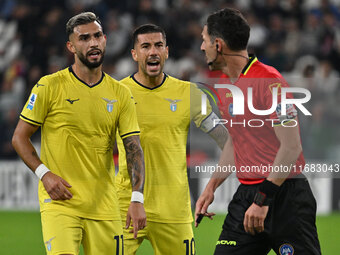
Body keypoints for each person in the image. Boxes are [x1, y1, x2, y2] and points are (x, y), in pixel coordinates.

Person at [12, 12, 146, 255]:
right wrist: (45, 175)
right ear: (71, 46)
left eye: (97, 36)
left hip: (105, 206)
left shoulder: (121, 94)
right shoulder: (49, 86)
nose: (93, 43)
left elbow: (133, 148)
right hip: (61, 204)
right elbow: (19, 137)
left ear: (105, 39)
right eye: (84, 38)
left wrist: (137, 198)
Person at [195, 8, 321, 255]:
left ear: (218, 45)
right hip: (246, 196)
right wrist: (212, 186)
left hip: (284, 196)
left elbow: (291, 147)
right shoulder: (224, 87)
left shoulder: (270, 81)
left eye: (204, 39)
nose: (201, 47)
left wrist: (264, 199)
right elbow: (235, 142)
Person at [115, 24, 228, 255]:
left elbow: (229, 142)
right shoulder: (116, 93)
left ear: (166, 51)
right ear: (134, 54)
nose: (153, 52)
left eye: (158, 45)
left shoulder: (190, 94)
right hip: (125, 206)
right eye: (145, 46)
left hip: (174, 210)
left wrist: (210, 187)